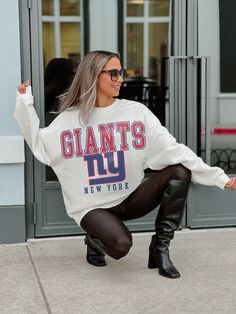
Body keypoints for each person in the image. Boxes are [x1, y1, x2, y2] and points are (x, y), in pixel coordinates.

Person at [15, 50, 236, 279]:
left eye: (120, 72)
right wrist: (24, 102)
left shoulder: (135, 113)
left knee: (180, 170)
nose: (120, 78)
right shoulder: (70, 120)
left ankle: (159, 249)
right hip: (92, 208)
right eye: (113, 73)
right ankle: (95, 236)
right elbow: (39, 143)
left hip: (128, 199)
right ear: (93, 75)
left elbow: (174, 150)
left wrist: (220, 178)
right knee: (121, 246)